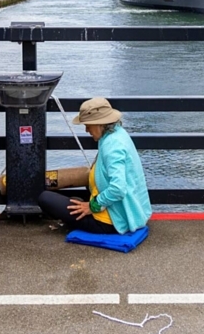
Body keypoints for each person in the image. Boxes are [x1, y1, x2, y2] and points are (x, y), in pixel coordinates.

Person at [38, 98, 151, 235]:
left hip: (112, 221)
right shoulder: (117, 133)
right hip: (127, 212)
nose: (86, 130)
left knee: (45, 198)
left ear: (99, 123)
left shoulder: (112, 147)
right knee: (73, 200)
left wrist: (92, 206)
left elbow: (118, 188)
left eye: (88, 125)